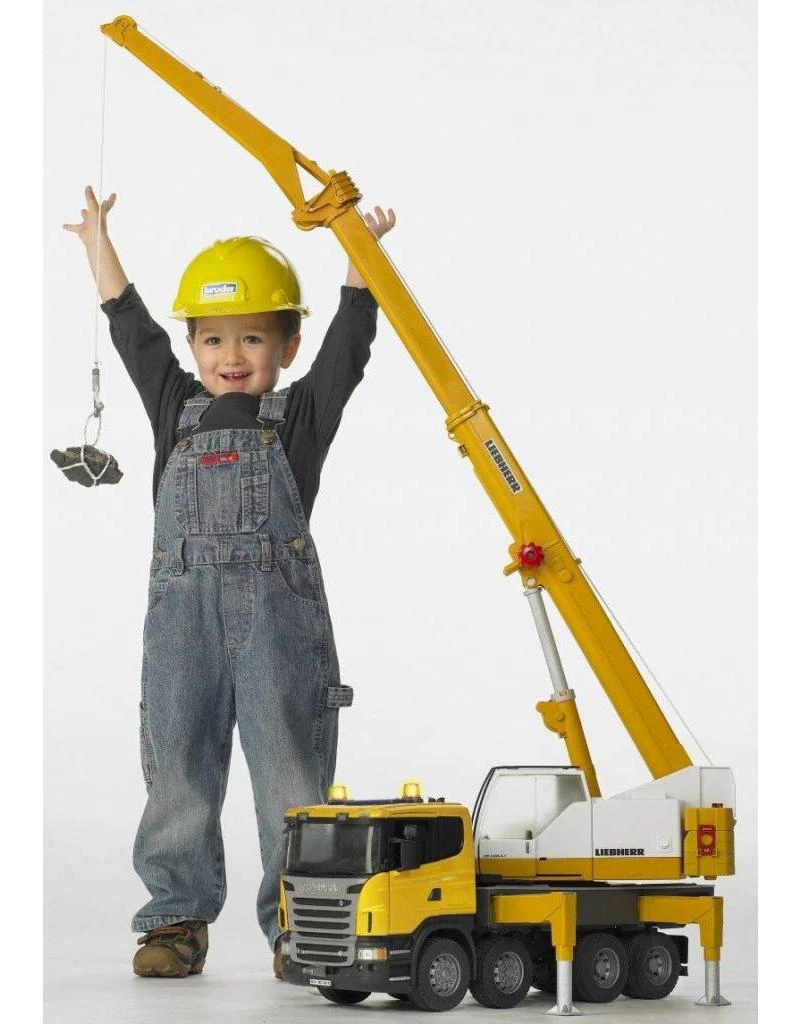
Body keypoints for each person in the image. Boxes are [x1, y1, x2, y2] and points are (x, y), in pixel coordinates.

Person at [64, 186, 395, 978]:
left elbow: (348, 353)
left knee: (290, 774)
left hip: (280, 623)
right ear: (193, 344)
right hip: (183, 621)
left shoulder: (301, 416)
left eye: (253, 337)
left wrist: (362, 262)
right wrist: (98, 245)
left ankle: (301, 927)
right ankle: (176, 920)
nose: (231, 355)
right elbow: (133, 333)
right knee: (177, 764)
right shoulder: (173, 403)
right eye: (212, 339)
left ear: (288, 344)